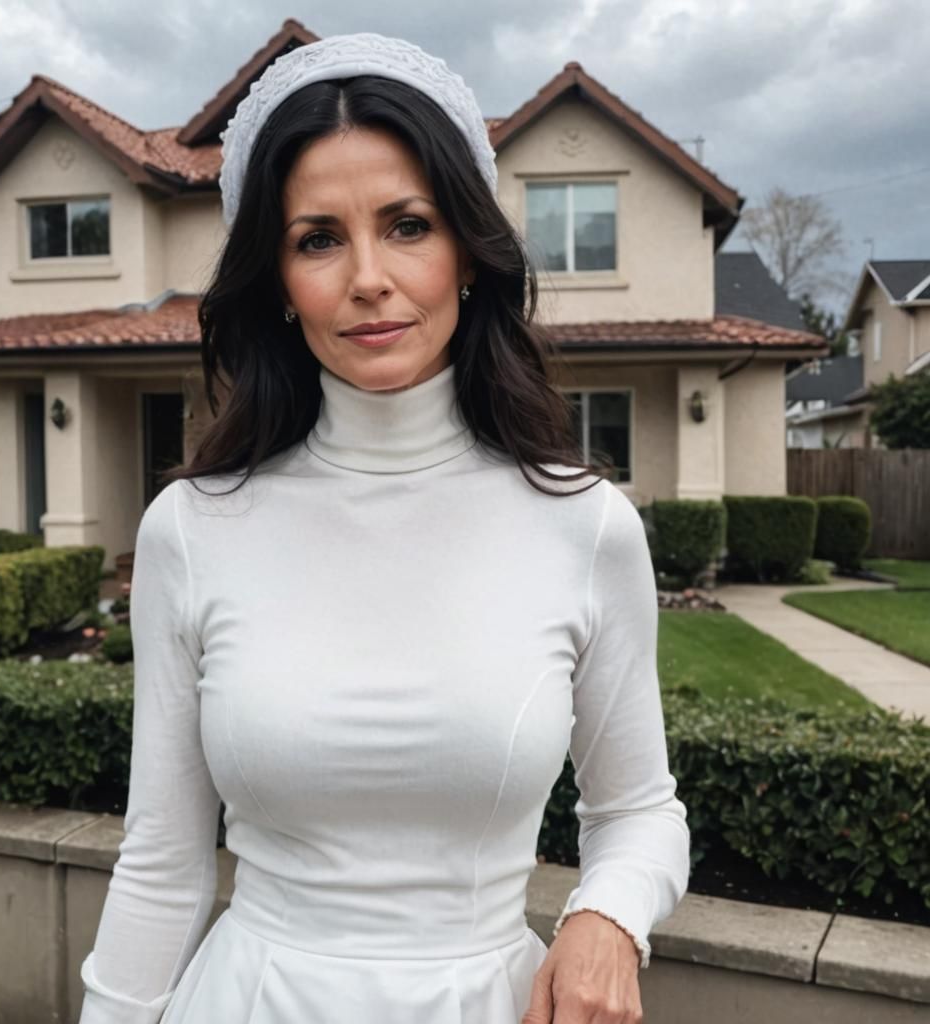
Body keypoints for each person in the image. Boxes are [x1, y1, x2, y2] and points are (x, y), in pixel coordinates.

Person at [77, 31, 689, 1024]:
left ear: (469, 254)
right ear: (276, 280)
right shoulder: (190, 529)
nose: (368, 276)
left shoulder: (586, 528)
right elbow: (160, 860)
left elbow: (638, 812)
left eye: (407, 225)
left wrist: (607, 918)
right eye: (318, 238)